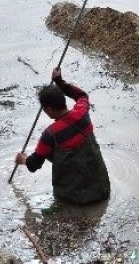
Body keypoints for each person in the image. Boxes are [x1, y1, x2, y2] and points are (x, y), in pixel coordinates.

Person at [14, 68, 110, 205]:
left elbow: (33, 165)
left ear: (49, 109)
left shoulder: (50, 134)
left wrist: (23, 159)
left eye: (44, 109)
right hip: (101, 190)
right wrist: (60, 82)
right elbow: (82, 95)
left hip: (71, 199)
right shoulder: (82, 113)